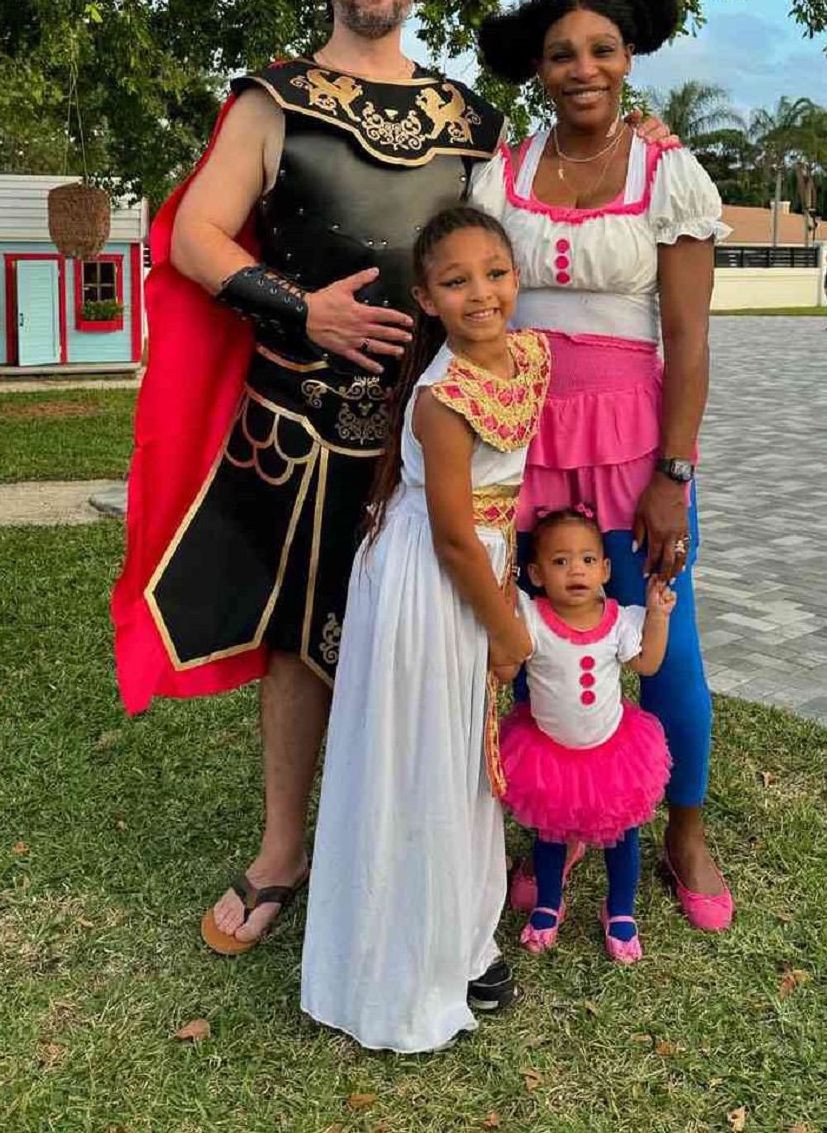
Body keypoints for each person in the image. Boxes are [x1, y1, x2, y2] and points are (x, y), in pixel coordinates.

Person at [110, 0, 515, 978]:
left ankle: (427, 854)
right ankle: (284, 853)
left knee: (434, 642)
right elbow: (196, 234)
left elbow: (524, 242)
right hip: (294, 427)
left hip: (430, 434)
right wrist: (304, 309)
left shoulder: (473, 125)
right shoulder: (273, 99)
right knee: (297, 641)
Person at [472, 0, 735, 932]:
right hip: (519, 435)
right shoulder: (499, 173)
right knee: (512, 638)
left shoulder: (669, 173)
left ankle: (685, 831)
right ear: (538, 71)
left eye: (601, 49)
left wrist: (674, 472)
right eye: (561, 53)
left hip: (634, 450)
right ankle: (543, 824)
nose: (582, 68)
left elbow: (691, 341)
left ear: (630, 59)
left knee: (664, 649)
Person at [300, 206, 549, 1052]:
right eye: (455, 282)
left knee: (464, 763)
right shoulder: (443, 400)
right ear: (426, 297)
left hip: (484, 562)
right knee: (423, 758)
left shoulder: (533, 355)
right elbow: (448, 531)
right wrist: (507, 628)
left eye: (495, 273)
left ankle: (464, 936)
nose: (481, 294)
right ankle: (404, 963)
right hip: (433, 580)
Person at [499, 506, 674, 964]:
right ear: (536, 573)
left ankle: (619, 910)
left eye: (587, 560)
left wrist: (657, 615)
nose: (575, 569)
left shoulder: (619, 619)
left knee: (621, 835)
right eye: (560, 562)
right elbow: (508, 665)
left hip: (612, 752)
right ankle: (547, 902)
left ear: (606, 569)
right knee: (550, 833)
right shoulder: (531, 619)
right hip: (547, 752)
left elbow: (648, 664)